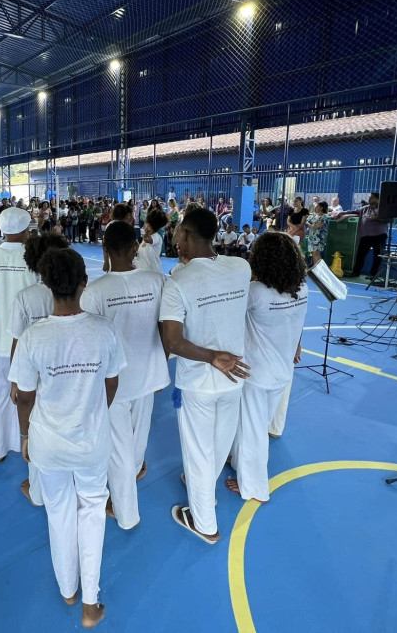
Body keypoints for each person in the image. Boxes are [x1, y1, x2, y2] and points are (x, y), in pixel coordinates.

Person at [12, 248, 126, 628]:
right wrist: (91, 413)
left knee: (58, 511)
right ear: (84, 282)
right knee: (92, 510)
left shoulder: (32, 337)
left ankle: (68, 589)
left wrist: (26, 435)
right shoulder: (104, 330)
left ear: (46, 285)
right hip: (91, 441)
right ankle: (90, 604)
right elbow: (111, 383)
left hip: (48, 442)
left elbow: (24, 396)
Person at [159, 208, 251, 544]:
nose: (174, 238)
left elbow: (172, 341)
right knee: (218, 445)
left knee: (198, 452)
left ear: (185, 234)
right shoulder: (241, 267)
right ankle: (202, 490)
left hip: (198, 382)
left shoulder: (177, 281)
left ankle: (204, 524)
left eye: (177, 232)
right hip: (235, 377)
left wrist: (212, 357)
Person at [81, 222, 168, 531]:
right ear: (135, 248)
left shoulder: (95, 292)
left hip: (112, 380)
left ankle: (126, 512)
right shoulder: (157, 281)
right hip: (148, 372)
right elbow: (166, 326)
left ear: (105, 248)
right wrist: (161, 361)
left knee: (118, 448)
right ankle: (132, 473)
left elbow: (90, 341)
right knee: (139, 433)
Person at [227, 232, 308, 502]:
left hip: (256, 372)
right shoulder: (302, 289)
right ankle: (239, 462)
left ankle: (254, 487)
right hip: (281, 370)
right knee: (255, 426)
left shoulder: (257, 292)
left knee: (252, 431)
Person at [9, 232, 70, 506]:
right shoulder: (76, 291)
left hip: (34, 372)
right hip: (68, 369)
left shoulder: (26, 297)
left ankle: (37, 489)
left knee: (35, 427)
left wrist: (15, 380)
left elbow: (17, 340)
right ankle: (62, 476)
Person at [0, 207, 37, 466]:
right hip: (30, 339)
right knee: (31, 393)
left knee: (0, 392)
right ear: (25, 230)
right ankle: (30, 445)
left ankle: (0, 447)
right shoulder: (35, 259)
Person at [335, 192, 390, 278]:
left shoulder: (383, 209)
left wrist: (376, 218)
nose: (369, 199)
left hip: (379, 235)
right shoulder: (365, 208)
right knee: (360, 254)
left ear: (378, 199)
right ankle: (355, 272)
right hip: (365, 235)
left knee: (377, 255)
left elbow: (388, 220)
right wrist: (343, 212)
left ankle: (373, 274)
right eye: (369, 197)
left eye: (371, 197)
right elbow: (354, 211)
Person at [134, 209, 168, 274]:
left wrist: (146, 231)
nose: (144, 225)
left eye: (146, 223)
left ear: (149, 225)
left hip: (152, 272)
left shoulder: (157, 237)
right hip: (142, 270)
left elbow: (147, 239)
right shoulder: (145, 239)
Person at [306, 201, 330, 266]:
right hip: (311, 237)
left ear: (321, 208)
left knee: (316, 253)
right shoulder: (314, 216)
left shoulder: (324, 216)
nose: (315, 208)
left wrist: (308, 224)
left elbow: (316, 226)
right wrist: (309, 224)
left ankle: (320, 268)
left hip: (318, 238)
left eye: (317, 207)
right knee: (313, 253)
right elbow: (307, 220)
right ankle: (316, 267)